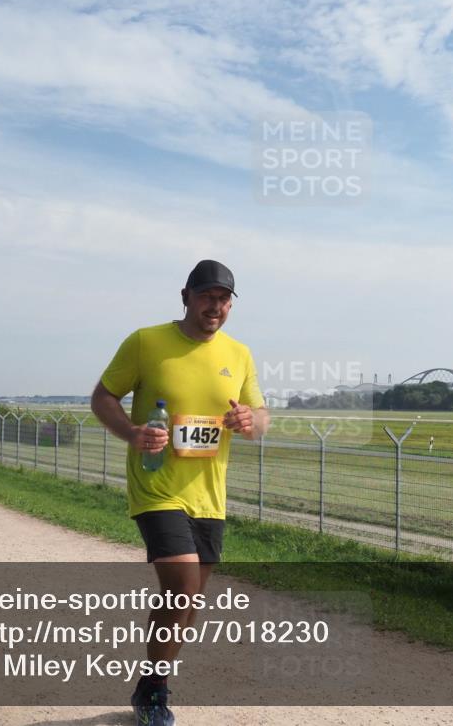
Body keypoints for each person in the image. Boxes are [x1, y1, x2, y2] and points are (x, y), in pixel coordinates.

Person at [91, 259, 269, 726]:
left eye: (225, 298)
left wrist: (250, 422)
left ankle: (151, 682)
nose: (217, 305)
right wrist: (132, 433)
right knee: (183, 588)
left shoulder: (239, 353)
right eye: (208, 295)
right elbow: (102, 396)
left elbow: (260, 415)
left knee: (187, 604)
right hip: (157, 487)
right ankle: (155, 692)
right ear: (185, 296)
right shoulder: (147, 342)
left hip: (209, 495)